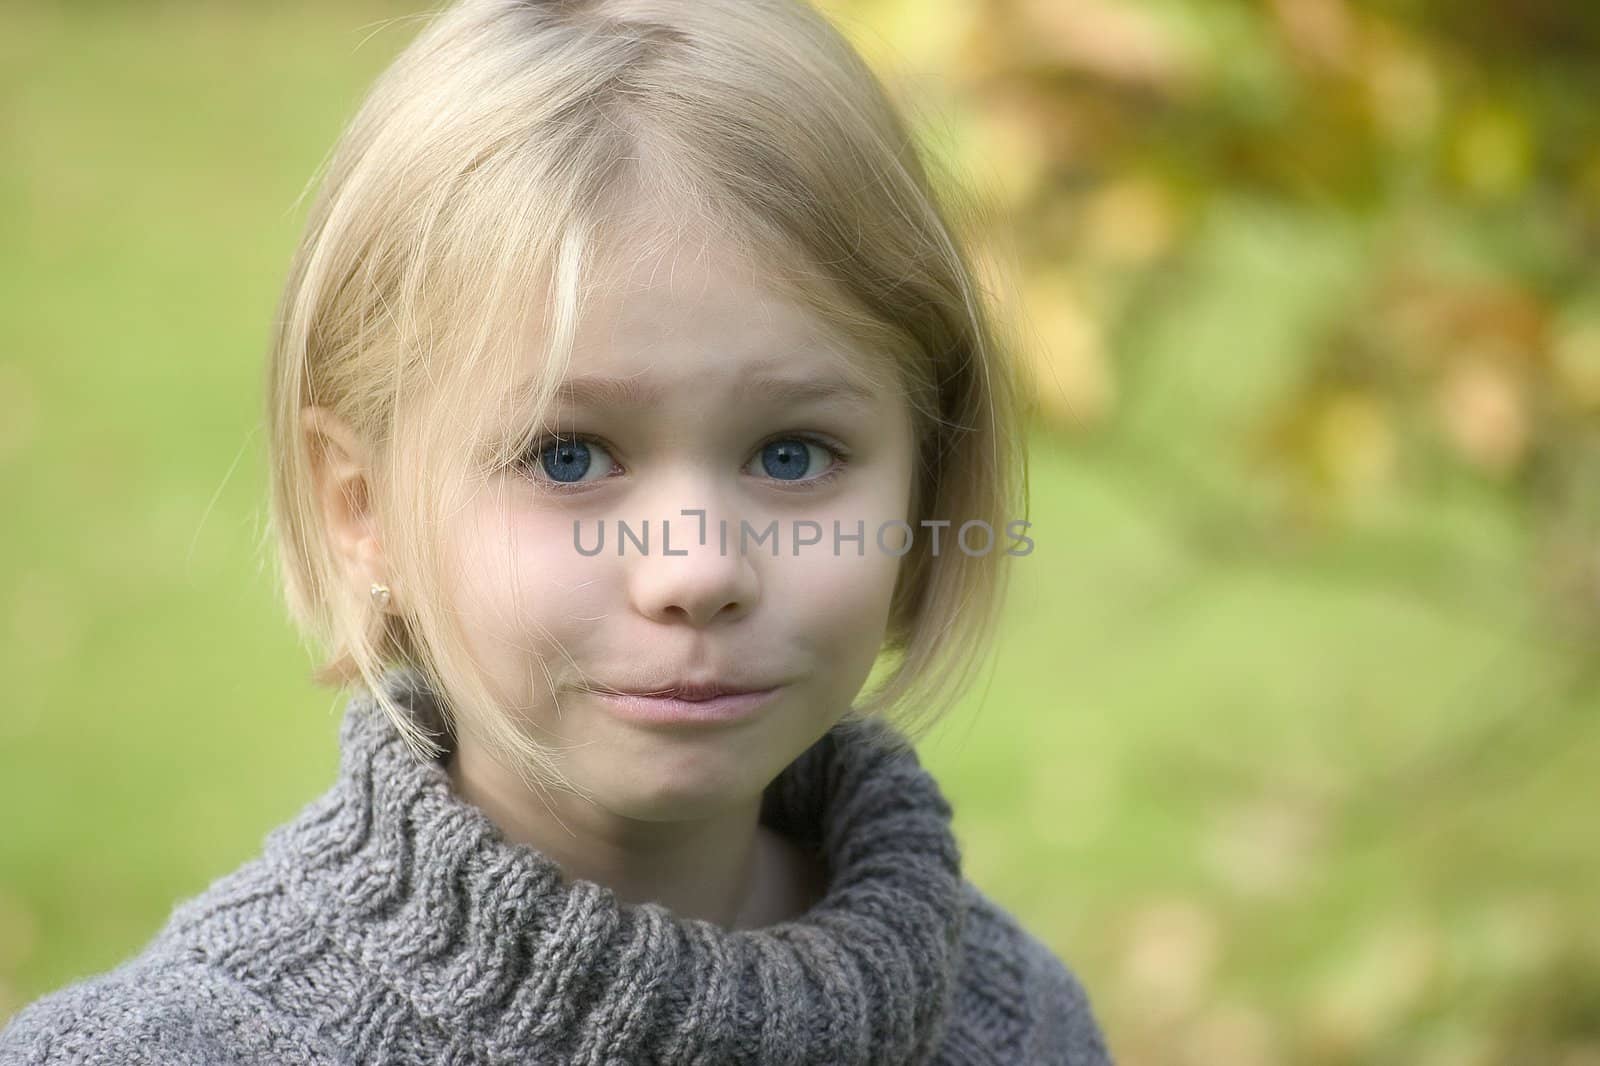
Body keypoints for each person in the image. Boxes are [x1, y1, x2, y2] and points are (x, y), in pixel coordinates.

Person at [0, 0, 1114, 1061]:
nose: (697, 569)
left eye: (791, 454)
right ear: (361, 507)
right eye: (567, 456)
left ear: (924, 484)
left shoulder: (1020, 1029)